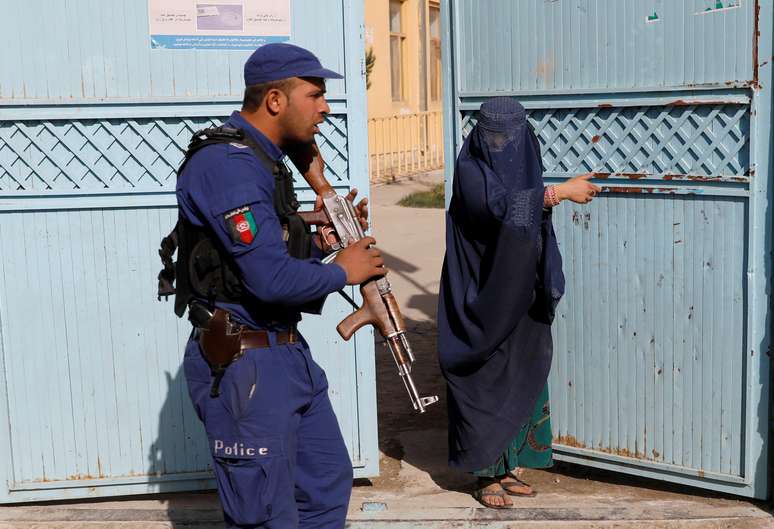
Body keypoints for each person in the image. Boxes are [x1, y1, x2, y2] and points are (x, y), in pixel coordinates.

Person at [173, 43, 385, 528]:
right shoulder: (228, 165)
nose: (326, 108)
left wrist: (320, 244)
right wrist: (344, 271)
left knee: (325, 486)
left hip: (285, 355)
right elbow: (268, 279)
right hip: (244, 364)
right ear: (274, 100)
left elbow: (266, 252)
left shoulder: (265, 161)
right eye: (315, 95)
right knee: (266, 514)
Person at [436, 97, 600, 509]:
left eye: (510, 136)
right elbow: (498, 207)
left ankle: (510, 466)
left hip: (520, 287)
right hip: (480, 292)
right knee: (484, 378)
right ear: (479, 134)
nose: (502, 144)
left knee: (522, 370)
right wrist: (558, 193)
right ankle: (484, 473)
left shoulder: (526, 156)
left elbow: (524, 208)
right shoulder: (471, 170)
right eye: (493, 136)